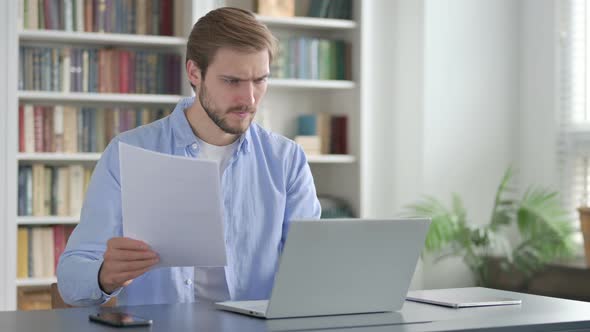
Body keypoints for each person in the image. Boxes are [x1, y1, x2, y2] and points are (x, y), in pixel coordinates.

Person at [57, 7, 321, 306]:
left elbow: (310, 271)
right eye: (232, 81)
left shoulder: (287, 160)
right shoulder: (127, 152)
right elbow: (70, 279)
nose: (248, 99)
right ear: (194, 73)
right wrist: (104, 275)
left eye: (260, 80)